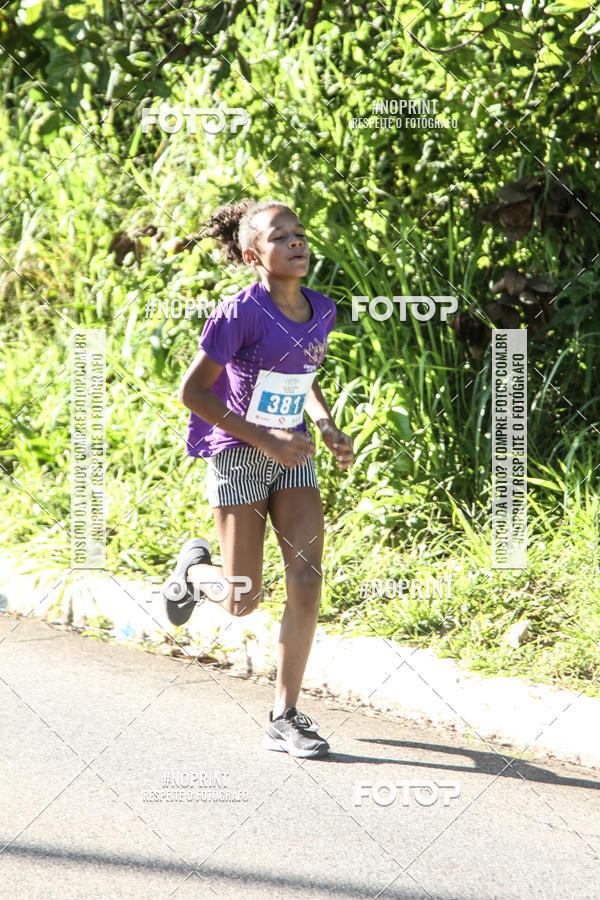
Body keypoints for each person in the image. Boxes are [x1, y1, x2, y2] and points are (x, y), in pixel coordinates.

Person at [161, 198, 353, 758]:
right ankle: (195, 572)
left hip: (294, 454)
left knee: (307, 579)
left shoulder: (321, 309)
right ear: (252, 255)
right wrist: (263, 438)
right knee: (242, 598)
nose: (296, 242)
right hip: (239, 452)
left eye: (300, 233)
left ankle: (284, 715)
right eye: (279, 237)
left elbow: (305, 373)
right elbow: (192, 394)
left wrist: (326, 424)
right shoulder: (238, 313)